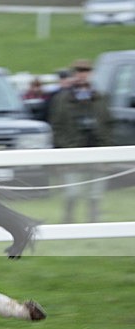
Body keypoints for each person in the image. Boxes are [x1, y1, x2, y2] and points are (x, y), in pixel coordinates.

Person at [47, 58, 113, 222]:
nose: (81, 75)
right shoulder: (61, 100)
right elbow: (56, 126)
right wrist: (65, 148)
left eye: (85, 71)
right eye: (78, 71)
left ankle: (93, 221)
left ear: (91, 74)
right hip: (72, 152)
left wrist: (106, 149)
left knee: (95, 194)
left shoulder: (100, 98)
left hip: (97, 152)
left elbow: (108, 124)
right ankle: (68, 220)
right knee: (72, 192)